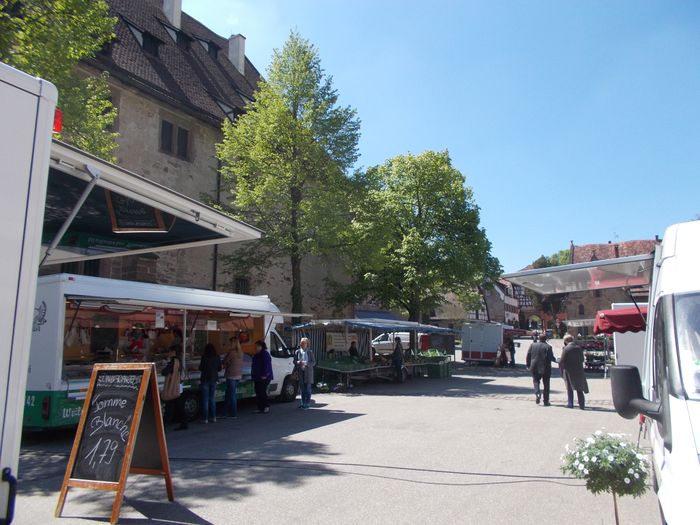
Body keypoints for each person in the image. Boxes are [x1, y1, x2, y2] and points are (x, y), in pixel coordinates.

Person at [559, 334, 589, 410]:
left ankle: (570, 404)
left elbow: (562, 360)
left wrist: (559, 363)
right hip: (579, 370)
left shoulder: (566, 349)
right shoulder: (578, 348)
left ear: (566, 341)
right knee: (579, 389)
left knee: (569, 388)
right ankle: (582, 405)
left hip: (569, 370)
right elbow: (582, 359)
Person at [526, 333, 557, 406]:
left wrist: (528, 365)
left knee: (536, 381)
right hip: (545, 367)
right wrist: (557, 360)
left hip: (534, 366)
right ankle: (546, 401)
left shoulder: (532, 345)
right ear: (546, 339)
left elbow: (528, 355)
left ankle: (537, 393)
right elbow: (550, 357)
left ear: (539, 338)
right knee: (546, 384)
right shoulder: (548, 347)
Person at [162, 344, 188, 430]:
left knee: (169, 407)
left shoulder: (173, 361)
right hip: (179, 386)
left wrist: (164, 368)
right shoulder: (179, 360)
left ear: (173, 352)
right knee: (179, 406)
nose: (168, 353)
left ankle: (164, 427)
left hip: (173, 387)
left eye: (170, 351)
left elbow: (165, 372)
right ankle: (184, 424)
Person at [199, 343, 221, 423]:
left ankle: (205, 419)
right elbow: (219, 368)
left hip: (205, 379)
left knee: (205, 400)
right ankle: (214, 417)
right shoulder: (217, 357)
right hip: (214, 379)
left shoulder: (204, 357)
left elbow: (201, 367)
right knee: (212, 399)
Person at [222, 336, 244, 418]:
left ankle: (233, 414)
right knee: (229, 394)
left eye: (230, 343)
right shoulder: (241, 353)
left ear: (233, 343)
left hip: (231, 375)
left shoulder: (231, 353)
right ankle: (224, 412)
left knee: (231, 395)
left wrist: (225, 364)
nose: (229, 344)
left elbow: (224, 361)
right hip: (238, 375)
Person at [252, 340, 273, 413]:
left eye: (257, 346)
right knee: (258, 392)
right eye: (255, 346)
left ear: (261, 346)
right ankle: (260, 407)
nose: (255, 348)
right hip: (257, 376)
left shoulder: (265, 354)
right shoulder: (256, 354)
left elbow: (266, 365)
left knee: (262, 392)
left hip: (264, 377)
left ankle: (266, 406)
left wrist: (265, 374)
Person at [295, 337, 316, 409]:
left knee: (308, 389)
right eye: (301, 343)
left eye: (304, 343)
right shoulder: (297, 351)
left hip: (308, 373)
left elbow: (314, 362)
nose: (302, 344)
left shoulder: (310, 352)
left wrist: (306, 363)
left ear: (307, 344)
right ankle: (303, 403)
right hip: (301, 372)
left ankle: (307, 403)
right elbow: (294, 361)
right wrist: (298, 362)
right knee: (302, 389)